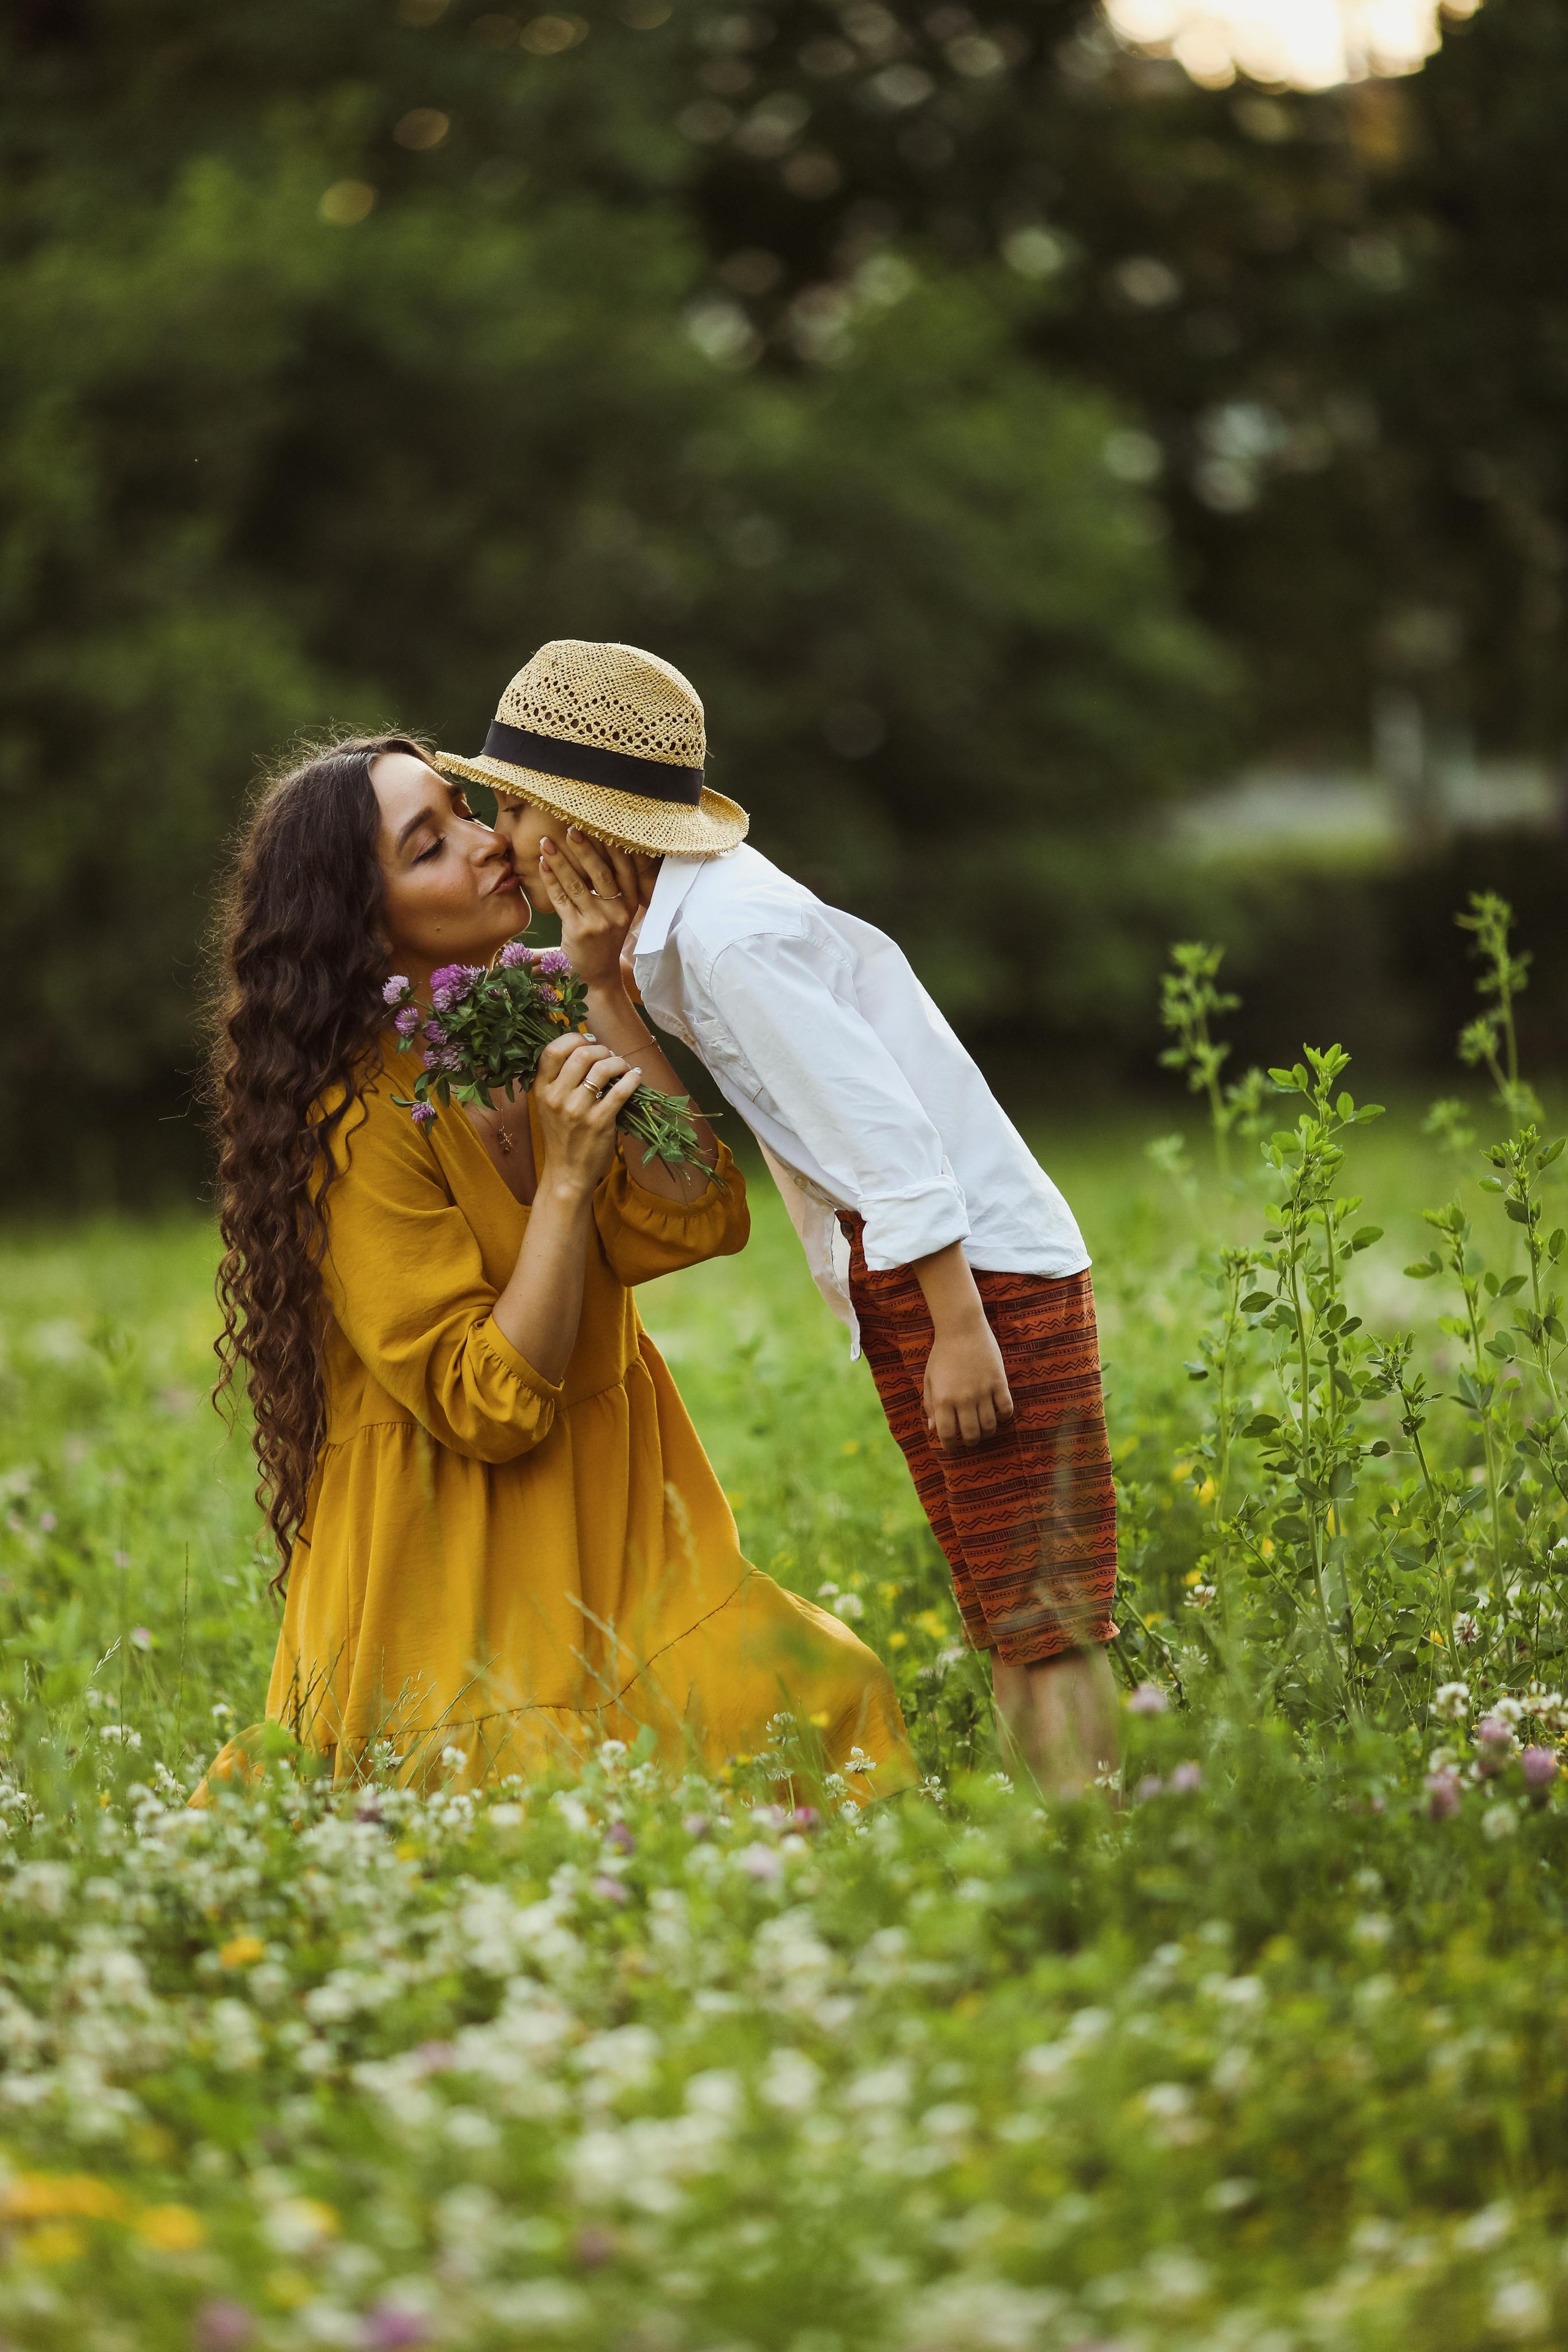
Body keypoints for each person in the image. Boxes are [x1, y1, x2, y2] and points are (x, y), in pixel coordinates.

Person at [434, 641, 1120, 1796]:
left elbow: (886, 1137)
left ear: (591, 826)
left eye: (516, 807)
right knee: (1007, 1604)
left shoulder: (731, 938)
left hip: (976, 1280)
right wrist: (599, 977)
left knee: (1045, 1612)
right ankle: (1055, 1840)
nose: (499, 837)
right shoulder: (681, 934)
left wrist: (956, 1322)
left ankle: (1094, 1849)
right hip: (924, 1276)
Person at [202, 732, 916, 1797]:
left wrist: (604, 995)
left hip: (619, 1527)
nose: (492, 845)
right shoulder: (350, 1126)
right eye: (430, 844)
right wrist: (567, 1183)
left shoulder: (525, 1013)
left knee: (831, 1696)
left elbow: (694, 1218)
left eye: (466, 810)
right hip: (455, 1563)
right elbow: (485, 1403)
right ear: (364, 921)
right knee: (547, 1800)